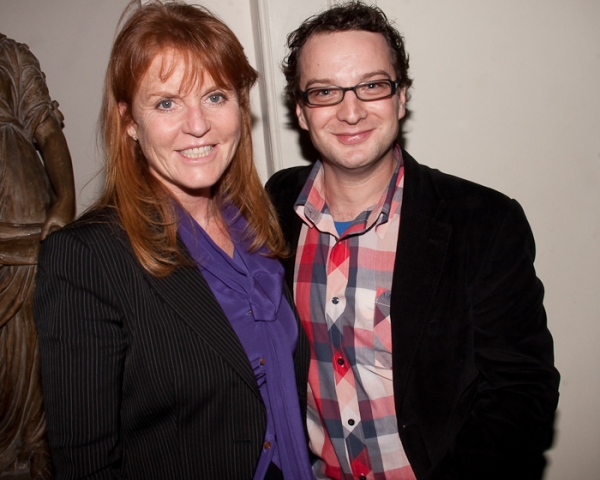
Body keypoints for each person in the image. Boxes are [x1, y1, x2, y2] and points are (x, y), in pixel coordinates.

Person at [265, 2, 560, 479]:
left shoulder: (482, 223)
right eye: (324, 92)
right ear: (301, 111)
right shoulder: (276, 206)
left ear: (401, 98)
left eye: (373, 85)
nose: (351, 109)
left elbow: (521, 394)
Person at [33, 2, 314, 479]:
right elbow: (86, 464)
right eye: (166, 103)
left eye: (215, 97)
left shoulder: (262, 226)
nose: (197, 124)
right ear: (129, 121)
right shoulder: (84, 259)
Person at [0, 33, 75, 479]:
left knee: (30, 333)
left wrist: (63, 200)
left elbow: (46, 128)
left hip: (18, 194)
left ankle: (34, 440)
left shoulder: (9, 53)